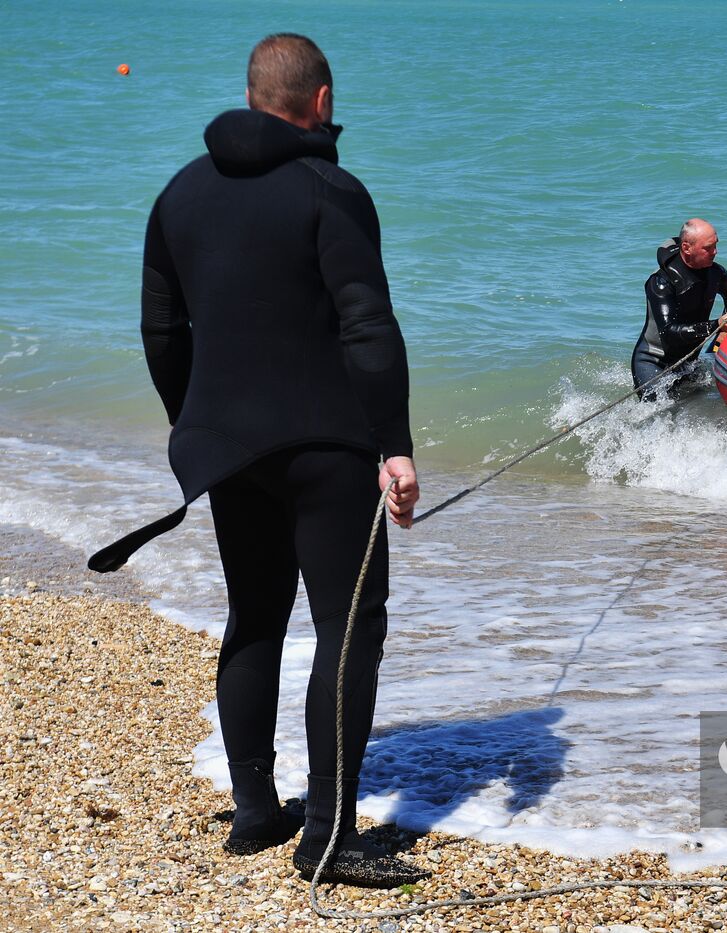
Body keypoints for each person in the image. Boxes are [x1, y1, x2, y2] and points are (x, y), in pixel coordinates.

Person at [87, 34, 426, 888]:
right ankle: (326, 834)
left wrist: (192, 421)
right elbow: (367, 325)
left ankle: (253, 810)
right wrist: (395, 442)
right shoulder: (332, 190)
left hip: (228, 448)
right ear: (320, 102)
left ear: (250, 95)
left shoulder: (179, 194)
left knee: (256, 616)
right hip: (324, 447)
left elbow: (161, 330)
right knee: (350, 626)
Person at [631, 218, 727, 397]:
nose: (715, 252)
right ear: (686, 248)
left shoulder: (716, 273)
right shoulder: (661, 282)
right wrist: (716, 325)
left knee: (699, 407)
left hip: (689, 362)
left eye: (716, 245)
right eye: (708, 248)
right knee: (659, 414)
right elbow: (669, 333)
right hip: (653, 361)